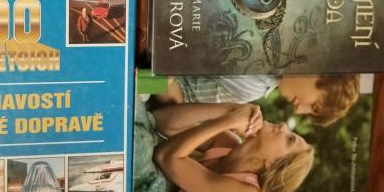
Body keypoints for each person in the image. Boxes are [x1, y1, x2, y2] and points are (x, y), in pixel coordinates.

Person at [152, 103, 314, 192]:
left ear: (272, 164)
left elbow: (165, 156)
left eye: (289, 139)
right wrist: (231, 110)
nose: (284, 125)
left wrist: (229, 121)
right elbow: (163, 122)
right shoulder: (228, 144)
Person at [150, 73, 360, 127]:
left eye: (309, 111)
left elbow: (178, 101)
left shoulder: (256, 88)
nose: (298, 110)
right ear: (322, 75)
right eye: (313, 105)